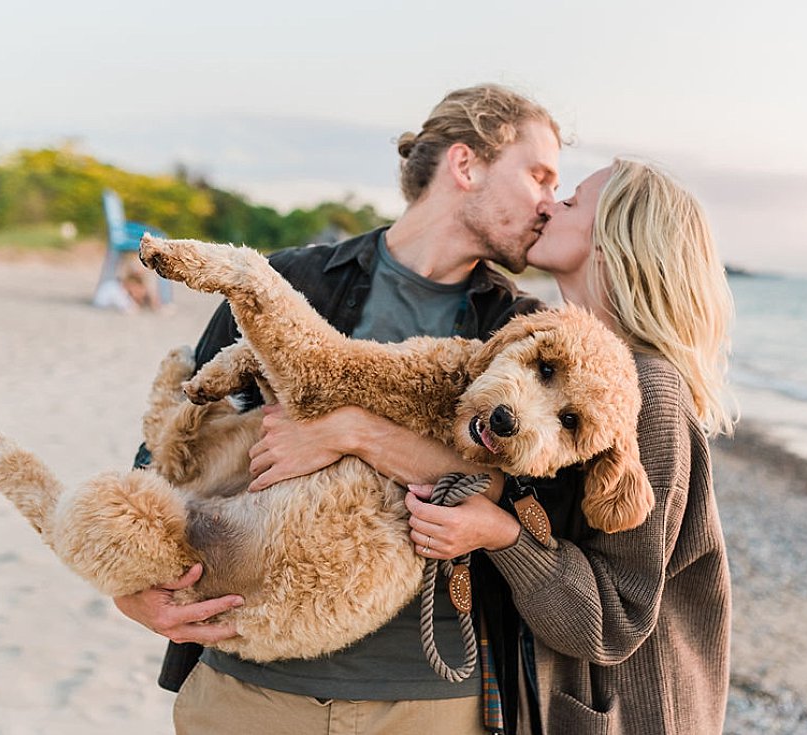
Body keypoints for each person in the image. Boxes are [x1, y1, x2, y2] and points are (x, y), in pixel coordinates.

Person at [113, 83, 562, 735]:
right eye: (540, 176)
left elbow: (520, 489)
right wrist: (134, 591)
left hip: (429, 700)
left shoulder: (521, 330)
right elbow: (166, 452)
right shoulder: (293, 278)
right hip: (249, 689)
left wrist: (348, 432)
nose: (551, 204)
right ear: (467, 165)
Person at [403, 158, 735, 734]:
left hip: (631, 715)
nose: (551, 205)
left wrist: (501, 534)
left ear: (610, 242)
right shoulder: (549, 351)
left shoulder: (648, 391)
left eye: (573, 201)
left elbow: (614, 620)